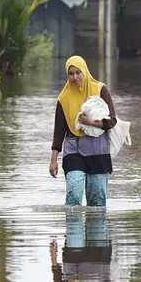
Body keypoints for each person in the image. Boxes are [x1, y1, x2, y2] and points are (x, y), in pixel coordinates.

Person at [49, 56, 117, 206]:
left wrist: (91, 123)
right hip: (74, 149)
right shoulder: (63, 98)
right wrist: (53, 160)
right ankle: (73, 228)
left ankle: (96, 228)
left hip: (98, 149)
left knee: (97, 202)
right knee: (73, 197)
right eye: (71, 74)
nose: (75, 77)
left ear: (84, 71)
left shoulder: (100, 90)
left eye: (78, 72)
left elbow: (112, 120)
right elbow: (59, 132)